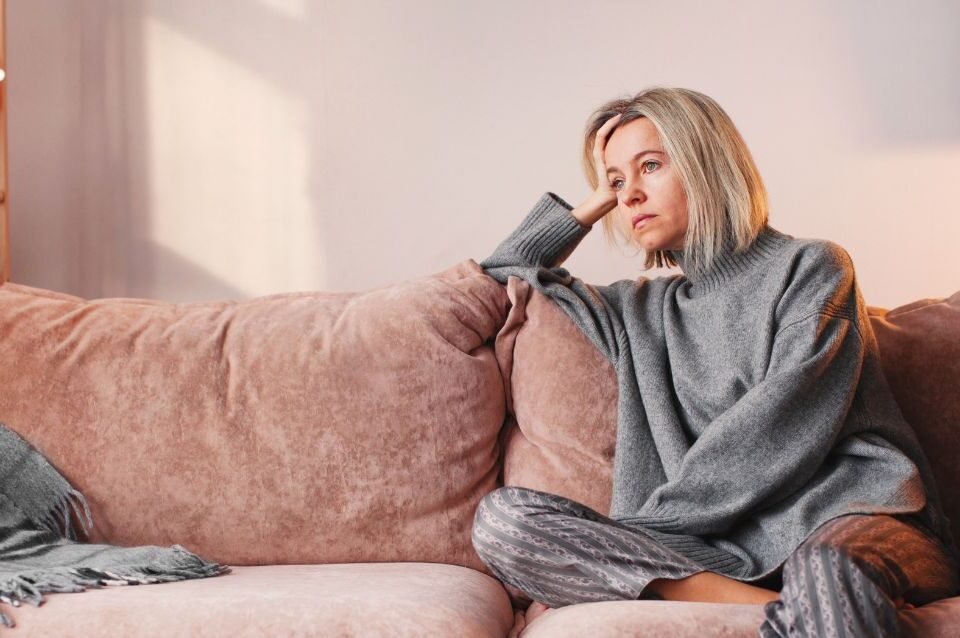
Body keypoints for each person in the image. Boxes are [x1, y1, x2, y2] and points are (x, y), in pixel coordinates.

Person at [471, 86, 959, 637]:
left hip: (850, 521)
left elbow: (780, 424)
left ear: (707, 162)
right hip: (715, 552)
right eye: (614, 182)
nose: (628, 196)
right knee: (505, 523)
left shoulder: (813, 267)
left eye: (649, 166)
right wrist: (594, 200)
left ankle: (800, 600)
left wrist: (644, 532)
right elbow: (505, 269)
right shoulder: (639, 310)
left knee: (826, 572)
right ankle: (772, 611)